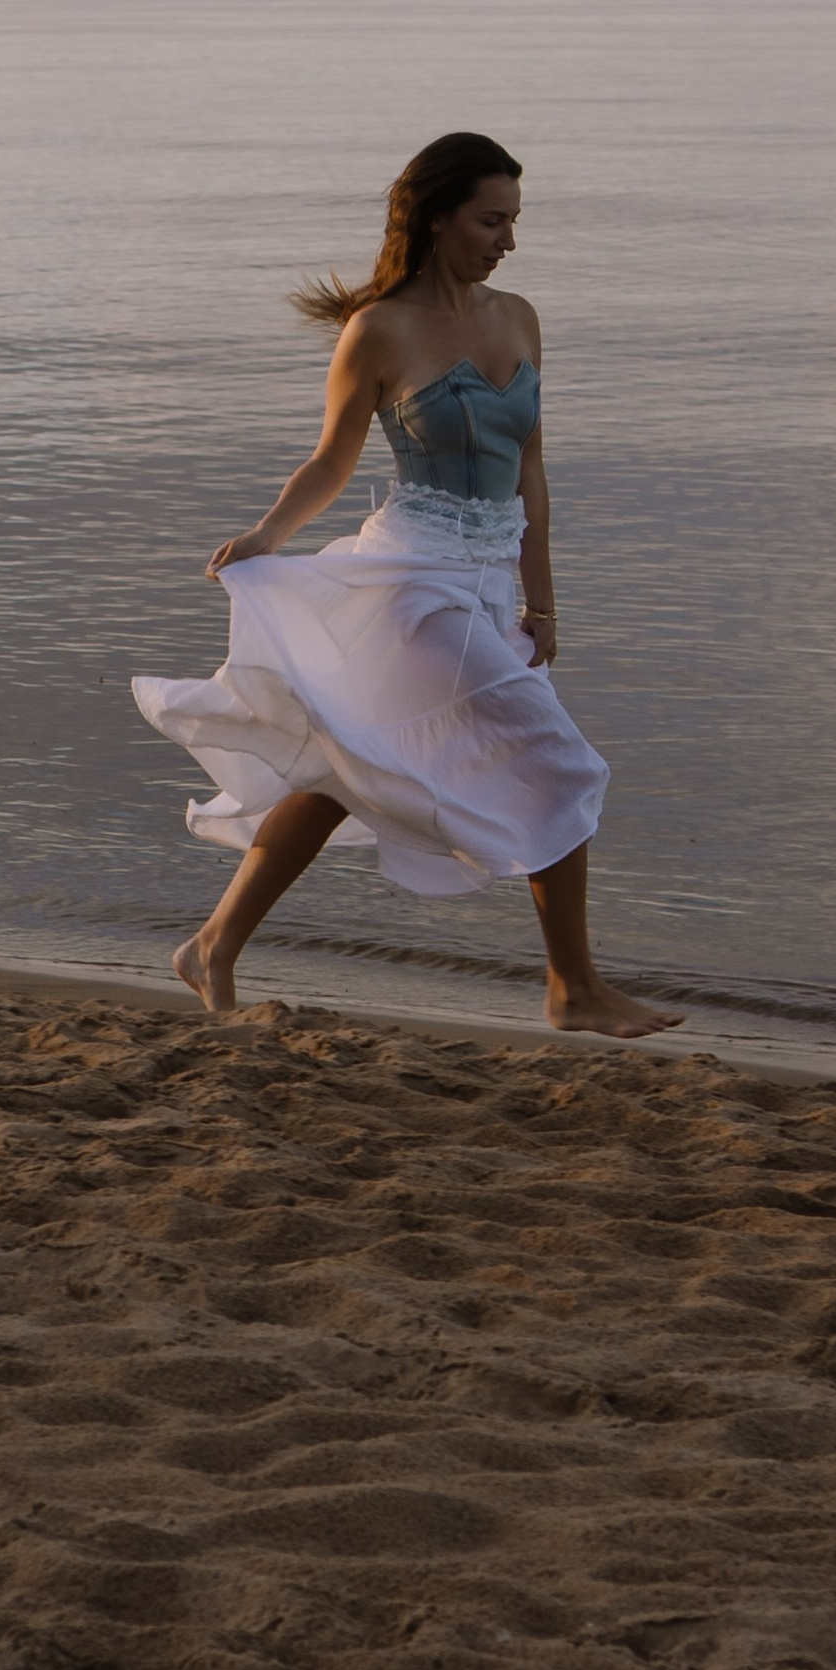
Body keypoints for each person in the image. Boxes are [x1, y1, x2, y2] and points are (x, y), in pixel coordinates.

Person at [132, 132, 680, 1041]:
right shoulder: (378, 330)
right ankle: (571, 986)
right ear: (437, 219)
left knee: (347, 763)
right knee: (562, 768)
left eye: (513, 221)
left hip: (492, 587)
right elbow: (331, 461)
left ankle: (212, 945)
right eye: (490, 220)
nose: (506, 240)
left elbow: (532, 468)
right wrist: (269, 534)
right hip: (413, 583)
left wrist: (541, 600)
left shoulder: (519, 316)